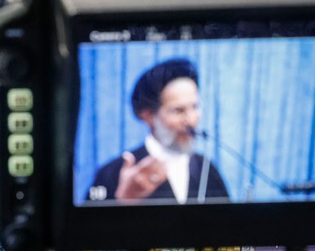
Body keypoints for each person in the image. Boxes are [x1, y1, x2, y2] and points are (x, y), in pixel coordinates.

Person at [89, 57, 229, 203]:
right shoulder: (112, 173)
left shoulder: (207, 169)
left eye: (194, 107)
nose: (192, 120)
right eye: (178, 110)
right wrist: (124, 200)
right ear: (148, 115)